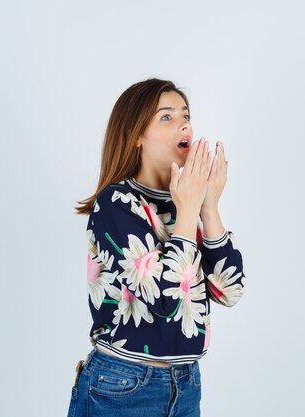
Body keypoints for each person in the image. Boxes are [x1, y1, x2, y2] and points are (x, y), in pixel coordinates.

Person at [68, 78, 246, 417]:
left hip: (186, 383)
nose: (184, 123)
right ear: (136, 136)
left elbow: (229, 291)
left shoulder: (185, 201)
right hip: (122, 385)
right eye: (166, 116)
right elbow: (165, 298)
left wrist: (208, 207)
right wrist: (190, 209)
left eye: (186, 115)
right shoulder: (116, 204)